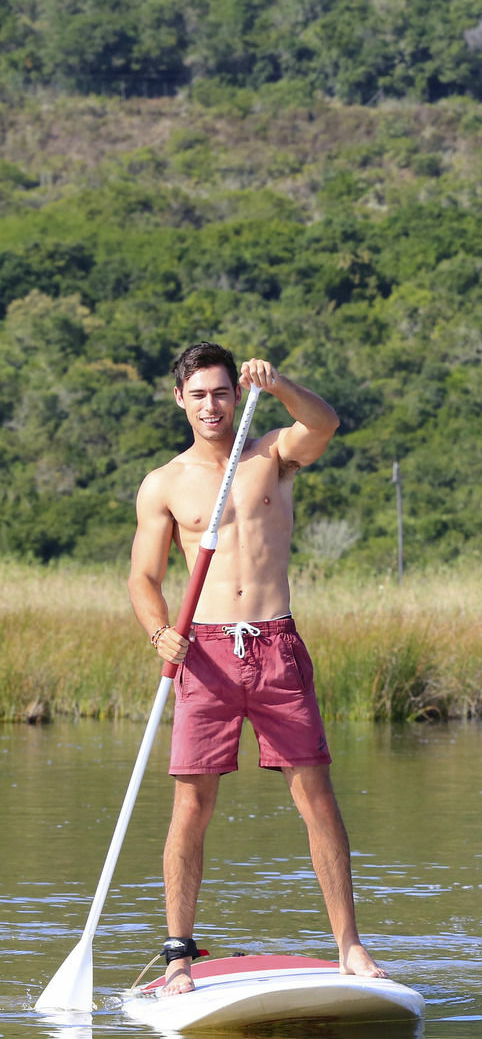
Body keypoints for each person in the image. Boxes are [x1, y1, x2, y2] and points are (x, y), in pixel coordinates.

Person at [129, 342, 387, 994]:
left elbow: (324, 424)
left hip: (275, 644)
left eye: (221, 392)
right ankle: (180, 955)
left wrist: (281, 385)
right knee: (192, 803)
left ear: (234, 395)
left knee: (316, 796)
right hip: (205, 654)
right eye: (199, 395)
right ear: (180, 400)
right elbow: (144, 576)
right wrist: (160, 630)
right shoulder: (165, 483)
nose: (211, 405)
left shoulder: (271, 453)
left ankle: (350, 946)